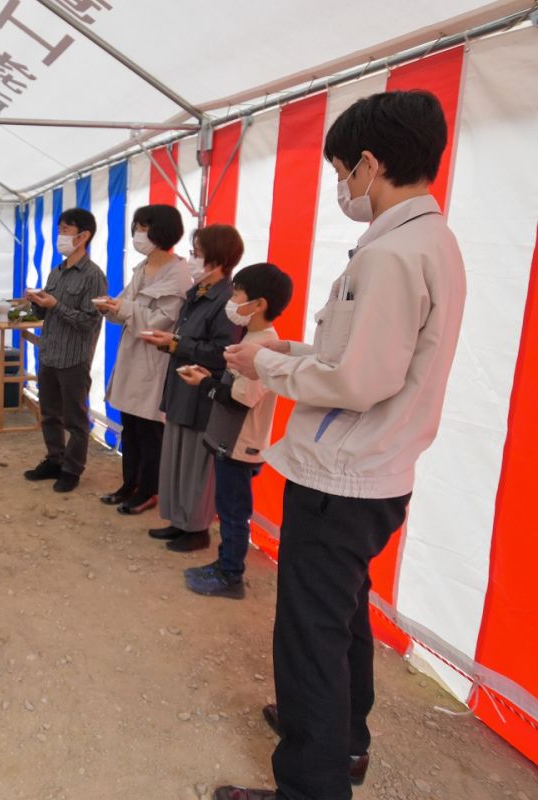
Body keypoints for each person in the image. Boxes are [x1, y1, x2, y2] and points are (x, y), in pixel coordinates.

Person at [215, 90, 466, 800]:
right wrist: (283, 350)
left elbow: (356, 380)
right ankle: (338, 735)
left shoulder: (392, 253)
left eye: (341, 170)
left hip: (343, 475)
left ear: (368, 162)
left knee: (311, 634)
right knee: (342, 618)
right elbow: (352, 354)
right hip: (372, 470)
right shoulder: (426, 243)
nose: (342, 187)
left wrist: (267, 363)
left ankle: (311, 781)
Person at [176, 263, 293, 599]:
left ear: (259, 304)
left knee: (234, 511)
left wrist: (205, 383)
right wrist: (209, 376)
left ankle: (231, 576)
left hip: (242, 444)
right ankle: (224, 564)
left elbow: (244, 398)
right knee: (228, 507)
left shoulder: (267, 345)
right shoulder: (252, 337)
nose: (232, 299)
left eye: (237, 292)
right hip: (229, 439)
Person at [140, 225, 243, 551]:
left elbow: (222, 353)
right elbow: (188, 342)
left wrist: (177, 345)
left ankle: (197, 529)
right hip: (182, 388)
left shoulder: (226, 301)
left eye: (197, 253)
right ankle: (178, 520)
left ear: (218, 258)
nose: (191, 258)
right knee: (176, 457)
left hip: (203, 393)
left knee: (197, 466)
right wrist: (172, 344)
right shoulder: (196, 294)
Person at [99, 204, 194, 514]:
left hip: (154, 363)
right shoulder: (141, 268)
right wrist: (110, 308)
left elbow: (160, 322)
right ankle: (130, 483)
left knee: (150, 431)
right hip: (130, 359)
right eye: (137, 227)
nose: (139, 234)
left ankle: (148, 490)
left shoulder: (178, 273)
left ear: (161, 230)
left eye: (144, 227)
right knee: (130, 426)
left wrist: (123, 309)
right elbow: (125, 305)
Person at [23, 207, 110, 493]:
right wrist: (37, 301)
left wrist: (55, 305)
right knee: (49, 414)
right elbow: (47, 313)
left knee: (75, 420)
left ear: (83, 236)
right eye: (59, 229)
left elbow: (89, 321)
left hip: (73, 358)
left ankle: (72, 469)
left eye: (65, 230)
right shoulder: (56, 272)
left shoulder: (94, 276)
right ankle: (54, 459)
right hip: (49, 354)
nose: (60, 235)